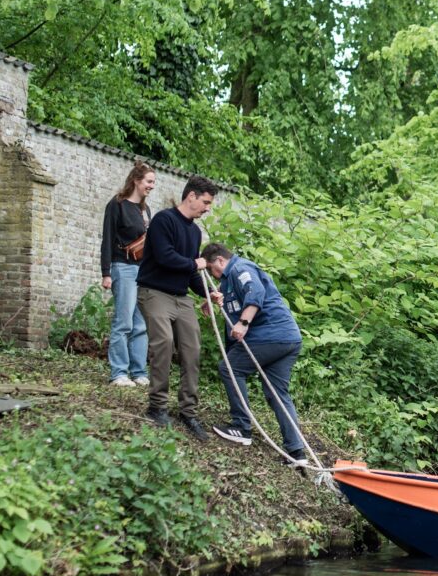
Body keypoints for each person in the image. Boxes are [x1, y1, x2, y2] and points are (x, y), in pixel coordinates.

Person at [202, 243, 310, 467]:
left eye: (213, 268)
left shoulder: (241, 269)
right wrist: (213, 299)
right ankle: (297, 452)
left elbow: (255, 293)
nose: (214, 274)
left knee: (229, 368)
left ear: (221, 261)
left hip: (270, 336)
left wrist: (243, 323)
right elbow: (233, 298)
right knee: (276, 393)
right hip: (287, 338)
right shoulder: (228, 280)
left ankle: (241, 427)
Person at [136, 175, 219, 439]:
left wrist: (209, 292)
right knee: (163, 343)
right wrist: (194, 264)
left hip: (180, 297)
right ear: (191, 196)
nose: (207, 208)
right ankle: (157, 406)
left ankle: (188, 411)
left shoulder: (194, 232)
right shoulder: (164, 220)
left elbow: (191, 274)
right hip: (154, 291)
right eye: (205, 202)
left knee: (192, 349)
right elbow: (164, 256)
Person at [99, 161, 156, 387]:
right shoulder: (117, 205)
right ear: (136, 181)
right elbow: (107, 239)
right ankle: (119, 373)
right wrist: (106, 272)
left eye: (153, 182)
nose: (152, 186)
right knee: (123, 322)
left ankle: (139, 371)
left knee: (140, 324)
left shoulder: (145, 209)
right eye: (149, 182)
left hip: (142, 270)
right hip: (122, 267)